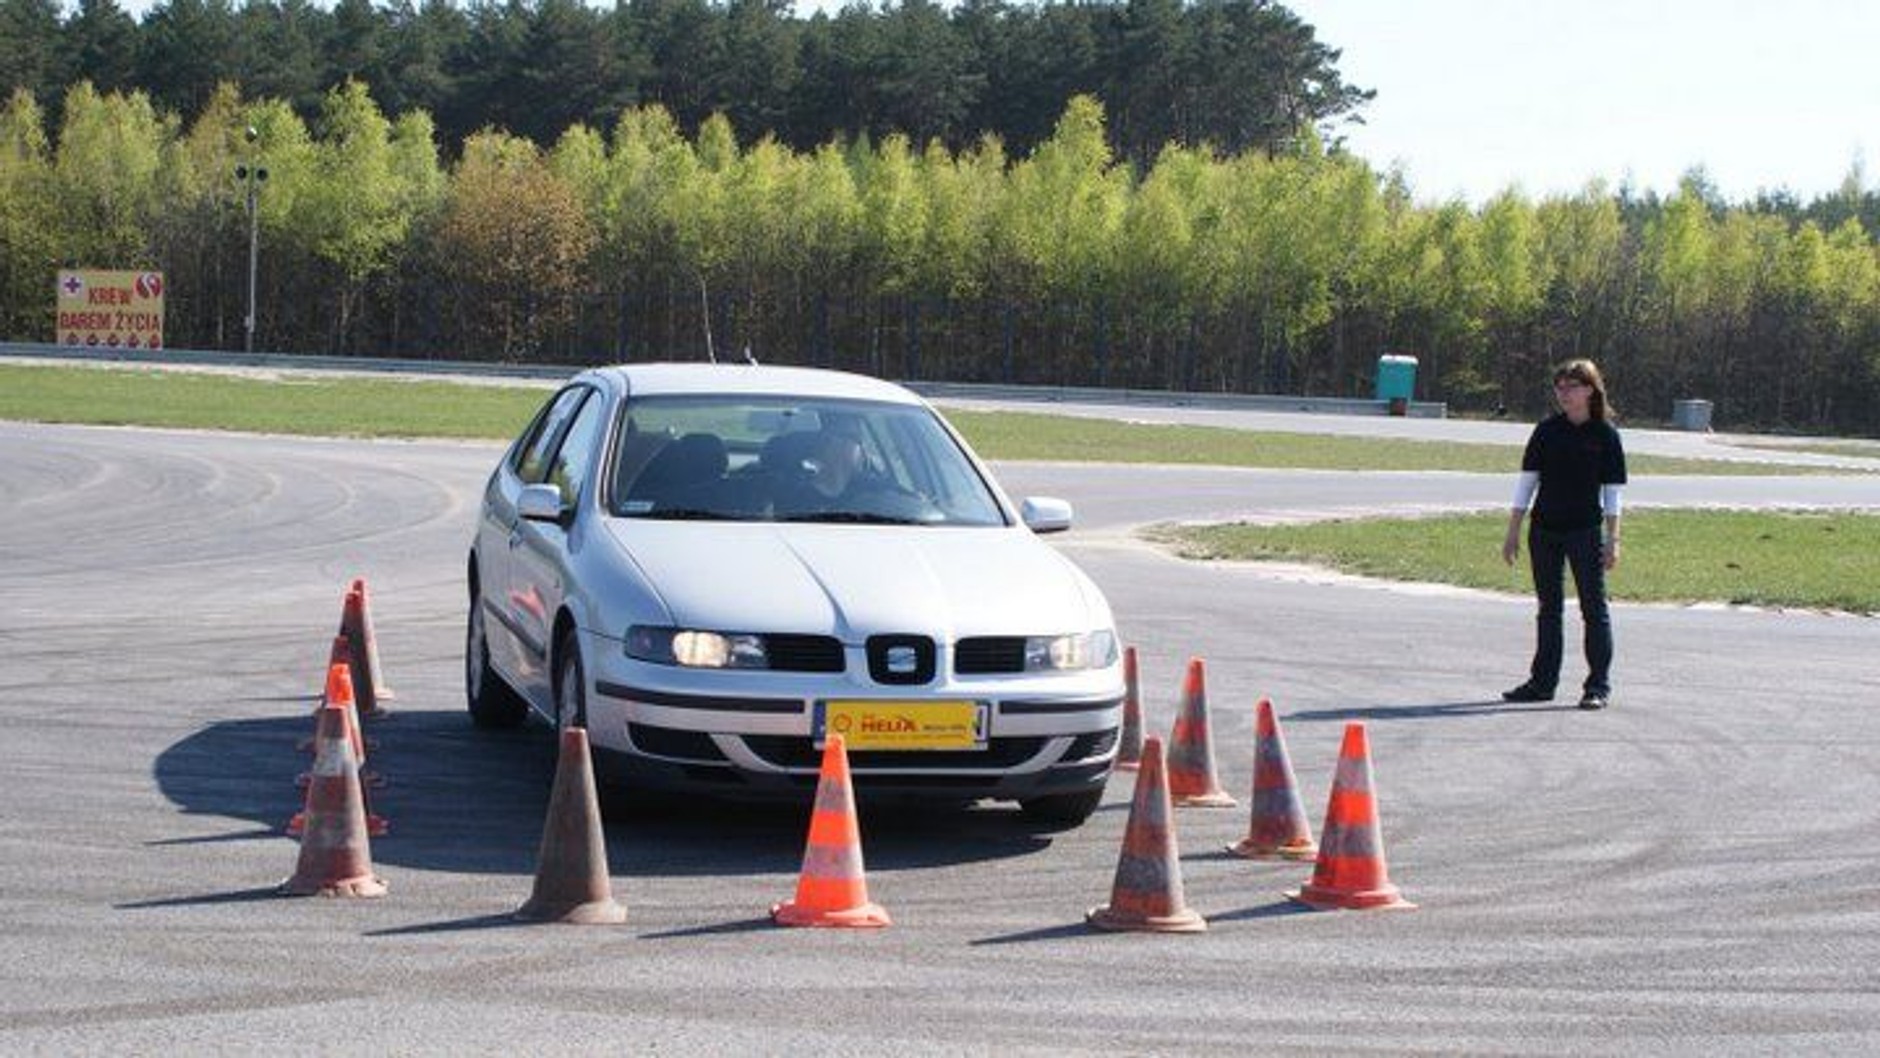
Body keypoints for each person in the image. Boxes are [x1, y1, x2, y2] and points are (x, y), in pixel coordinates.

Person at [1500, 358, 1628, 710]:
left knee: (1593, 608)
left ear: (1589, 390)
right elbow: (1527, 484)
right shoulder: (1546, 431)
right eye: (1559, 387)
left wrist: (1612, 538)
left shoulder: (1606, 435)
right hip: (1544, 530)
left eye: (1571, 386)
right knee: (1548, 608)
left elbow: (1613, 493)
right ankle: (1543, 682)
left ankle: (1597, 686)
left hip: (1585, 531)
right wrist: (1513, 531)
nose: (1563, 393)